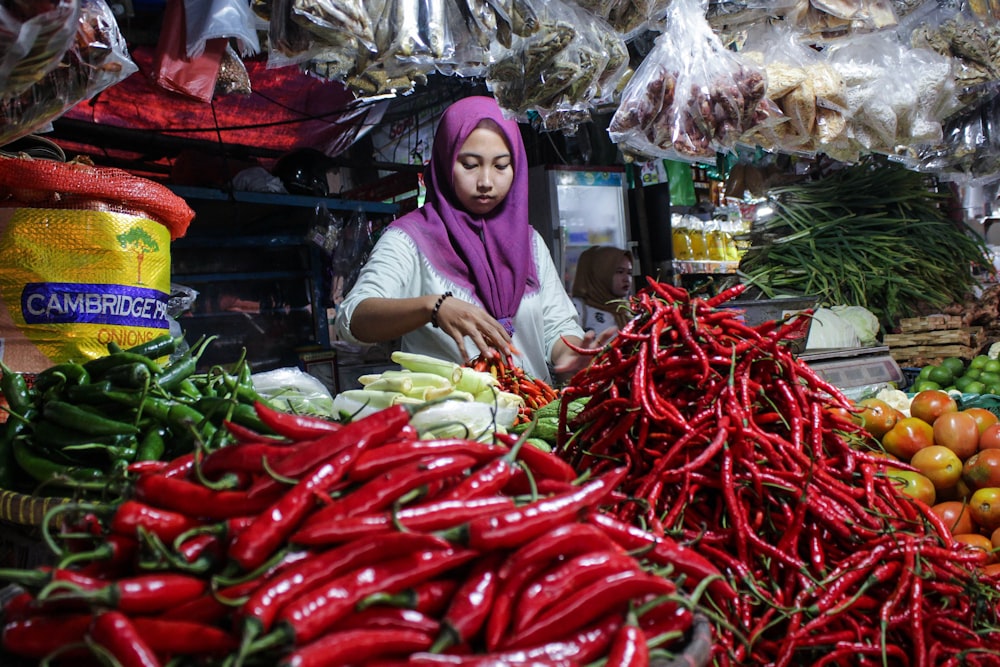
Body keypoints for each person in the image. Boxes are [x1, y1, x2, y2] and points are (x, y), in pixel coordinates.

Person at [334, 95, 601, 385]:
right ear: (446, 161)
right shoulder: (408, 238)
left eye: (501, 166)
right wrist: (432, 307)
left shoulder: (530, 242)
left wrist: (573, 355)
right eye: (470, 164)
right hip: (449, 423)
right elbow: (353, 319)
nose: (486, 181)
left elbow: (556, 327)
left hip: (529, 421)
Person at [570, 245, 635, 335]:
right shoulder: (577, 308)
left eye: (629, 273)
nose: (626, 279)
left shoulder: (627, 308)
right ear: (601, 273)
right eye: (620, 272)